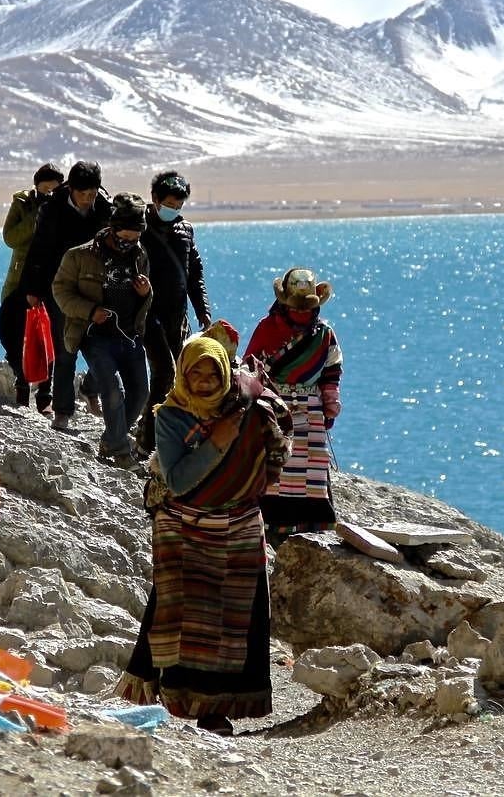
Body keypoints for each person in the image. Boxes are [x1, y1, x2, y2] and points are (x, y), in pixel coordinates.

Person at [115, 335, 291, 735]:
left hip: (241, 524)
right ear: (183, 374)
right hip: (185, 527)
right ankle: (180, 698)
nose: (206, 380)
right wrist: (217, 442)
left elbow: (272, 451)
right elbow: (178, 481)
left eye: (215, 372)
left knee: (238, 616)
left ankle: (219, 709)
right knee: (186, 615)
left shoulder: (245, 408)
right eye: (197, 371)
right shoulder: (171, 418)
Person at [243, 268, 343, 541]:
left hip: (311, 408)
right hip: (274, 406)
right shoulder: (267, 328)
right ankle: (270, 524)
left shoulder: (324, 334)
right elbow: (251, 367)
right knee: (276, 461)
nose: (302, 314)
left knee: (312, 464)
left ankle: (313, 522)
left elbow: (331, 370)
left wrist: (330, 401)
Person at [53, 193, 151, 469]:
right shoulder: (79, 256)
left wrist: (146, 293)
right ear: (113, 228)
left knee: (140, 392)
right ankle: (121, 452)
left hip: (130, 334)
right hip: (95, 336)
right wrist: (90, 311)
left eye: (135, 238)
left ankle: (111, 439)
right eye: (125, 237)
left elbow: (145, 294)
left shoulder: (140, 254)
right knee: (111, 390)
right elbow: (60, 291)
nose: (129, 243)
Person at [19, 160, 111, 427]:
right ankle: (63, 412)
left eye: (91, 194)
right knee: (65, 349)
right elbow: (38, 251)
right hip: (61, 289)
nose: (86, 200)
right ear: (71, 189)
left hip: (96, 289)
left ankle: (90, 388)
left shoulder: (105, 210)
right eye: (82, 194)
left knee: (102, 346)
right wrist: (33, 289)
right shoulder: (52, 209)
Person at [134, 170, 212, 458]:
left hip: (176, 319)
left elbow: (195, 275)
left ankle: (173, 435)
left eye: (179, 206)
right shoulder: (138, 226)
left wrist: (203, 311)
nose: (174, 211)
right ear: (154, 199)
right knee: (164, 371)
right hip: (146, 315)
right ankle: (146, 440)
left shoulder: (185, 231)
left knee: (184, 375)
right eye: (169, 205)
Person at [0, 162, 64, 409]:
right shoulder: (23, 204)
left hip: (50, 279)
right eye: (45, 189)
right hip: (20, 279)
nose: (49, 194)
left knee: (48, 335)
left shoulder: (65, 208)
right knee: (9, 331)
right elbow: (11, 237)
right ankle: (21, 378)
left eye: (54, 190)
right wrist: (38, 215)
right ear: (36, 187)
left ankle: (45, 394)